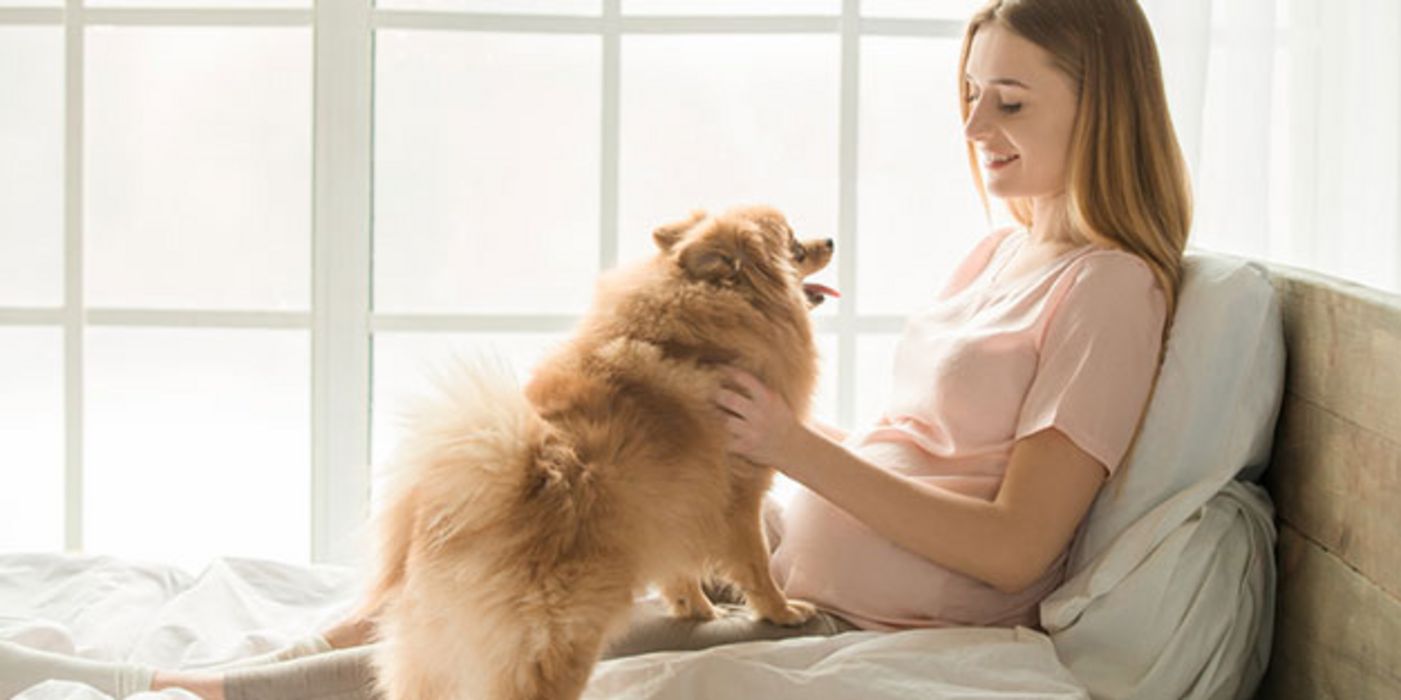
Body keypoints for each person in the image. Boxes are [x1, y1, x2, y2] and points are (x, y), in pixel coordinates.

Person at [1, 0, 1191, 697]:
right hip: (767, 560)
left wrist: (785, 445)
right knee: (498, 527)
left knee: (533, 624)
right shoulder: (998, 258)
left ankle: (217, 684)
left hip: (855, 622)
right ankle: (255, 666)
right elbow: (903, 451)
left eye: (1013, 103)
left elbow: (1016, 542)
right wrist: (737, 462)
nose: (976, 128)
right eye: (970, 96)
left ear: (1106, 102)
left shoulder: (1111, 291)